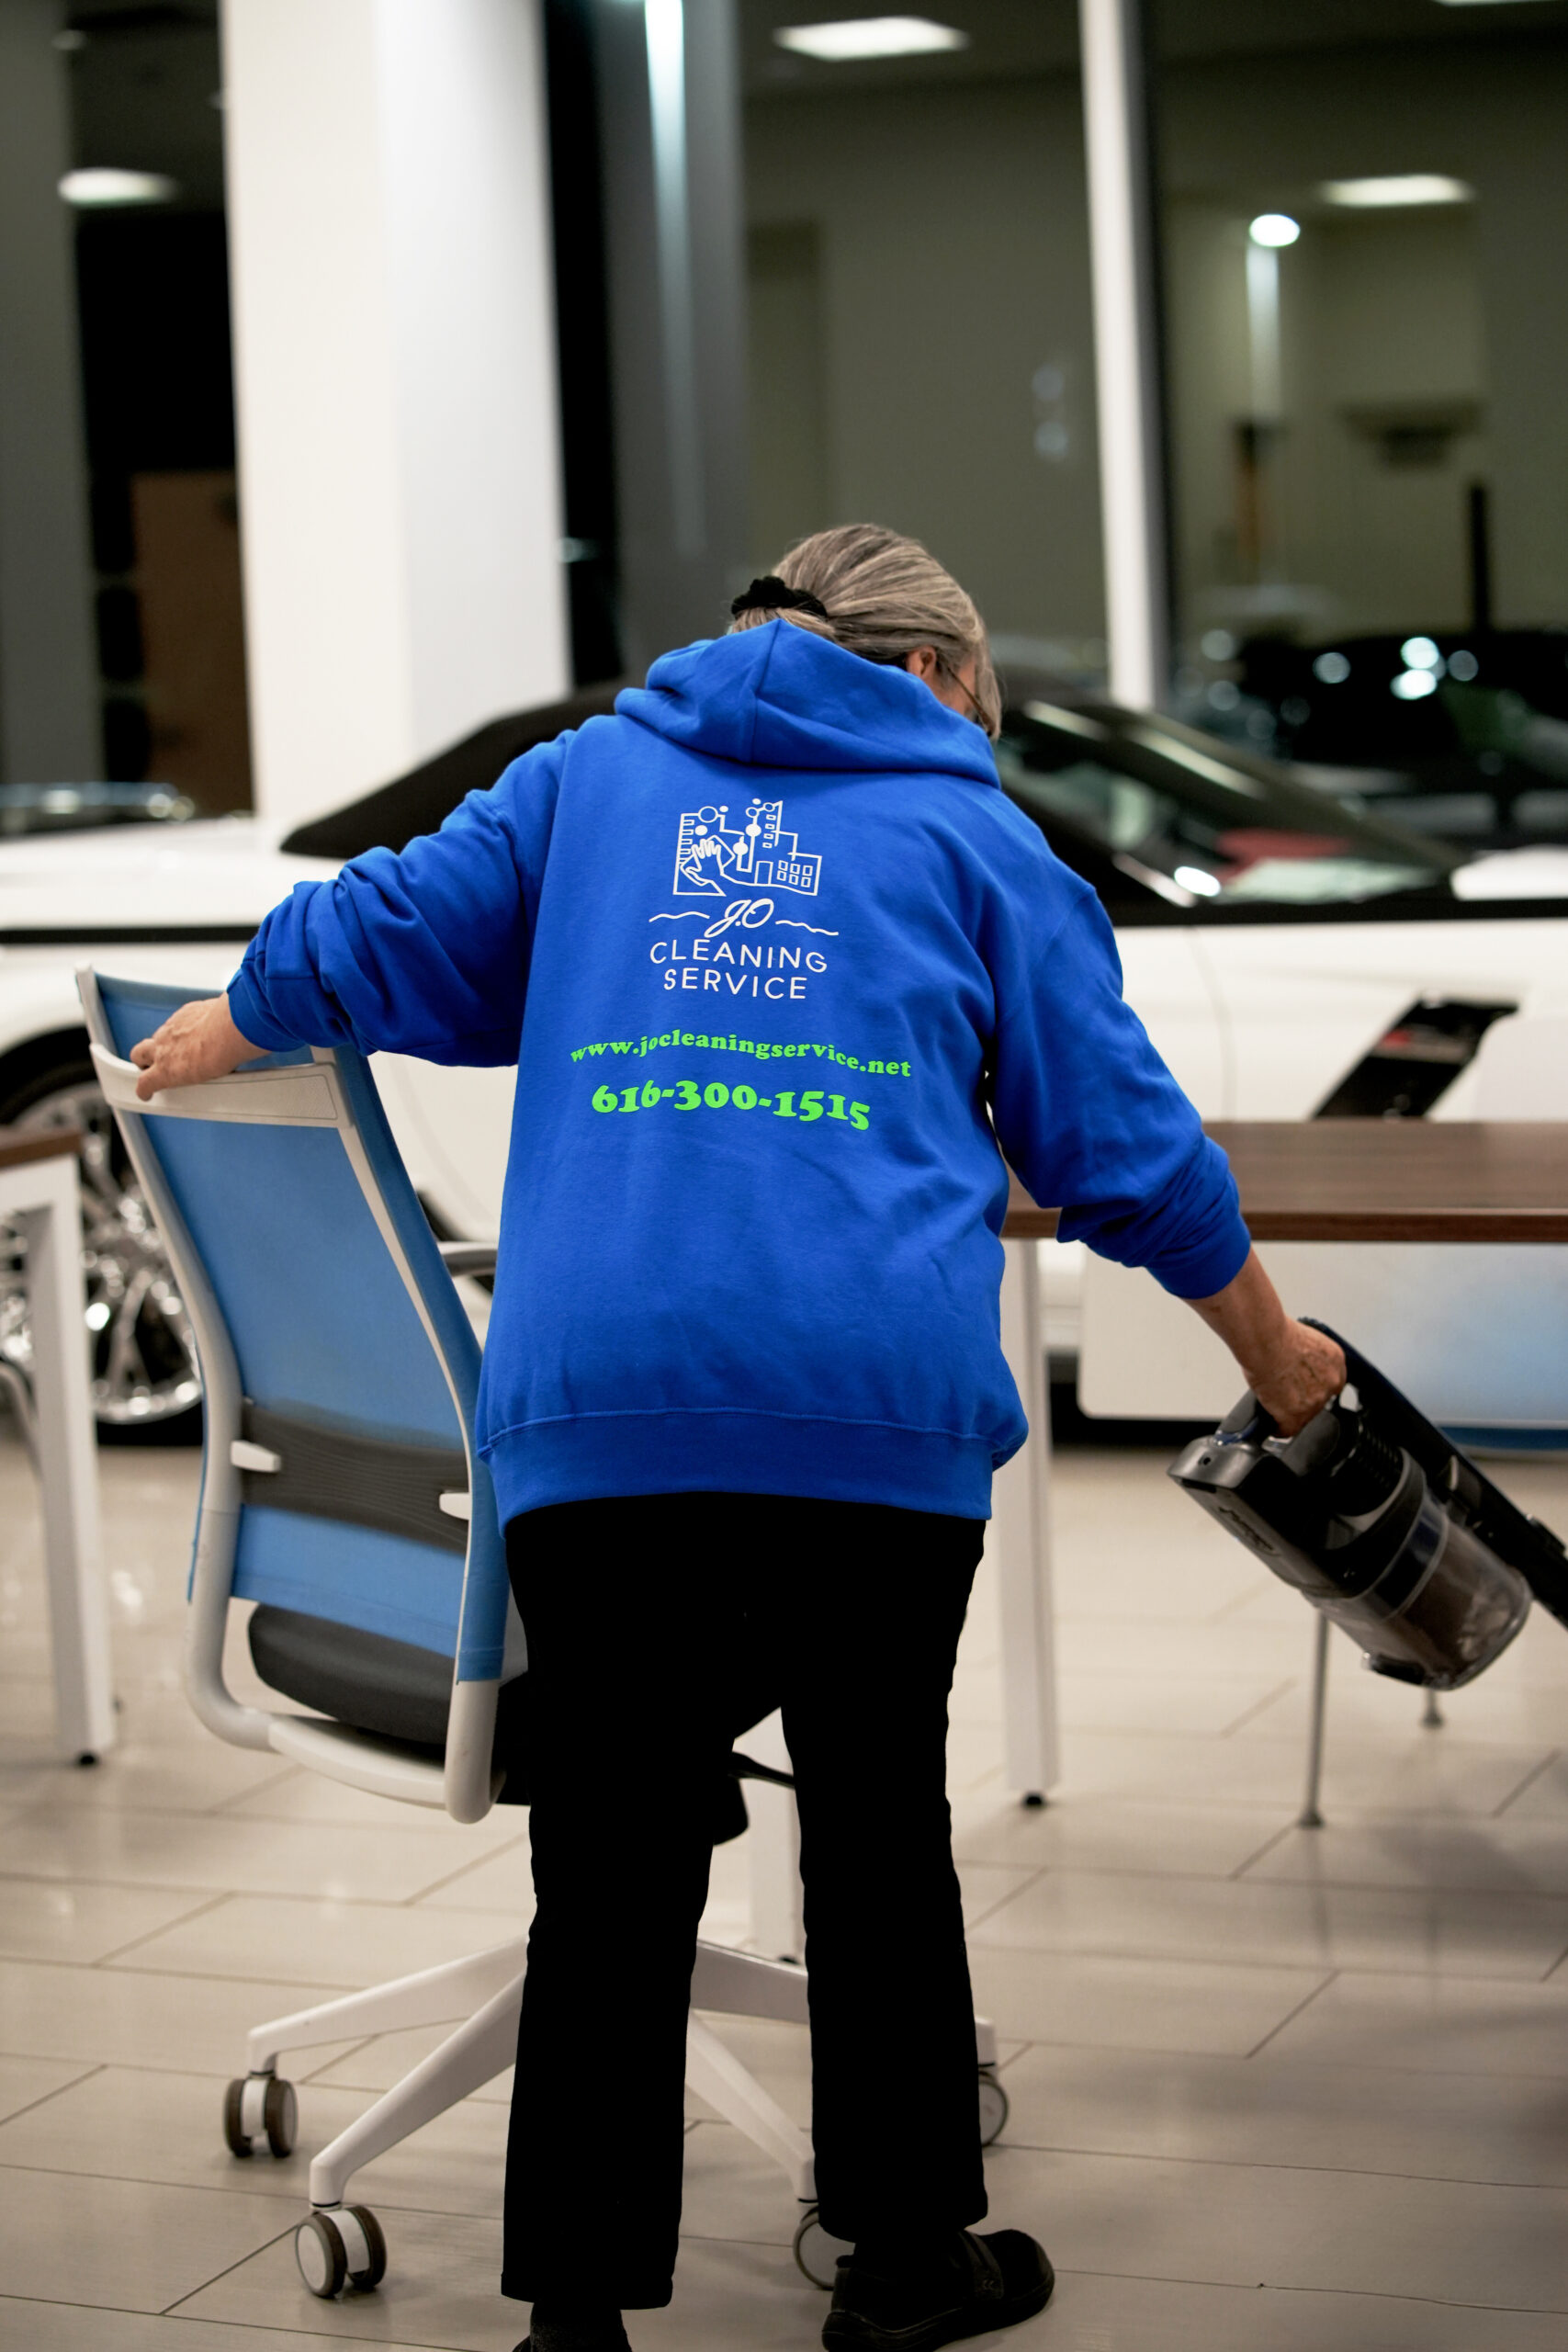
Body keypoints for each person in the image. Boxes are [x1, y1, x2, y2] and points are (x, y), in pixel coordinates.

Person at [130, 524, 1344, 2352]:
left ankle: (572, 2316)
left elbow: (365, 937)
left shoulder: (580, 782)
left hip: (596, 1414)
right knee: (872, 1814)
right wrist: (1276, 1350)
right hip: (865, 1413)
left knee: (608, 1850)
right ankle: (903, 2260)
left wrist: (222, 1024)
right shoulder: (975, 837)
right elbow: (1122, 1153)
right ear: (936, 674)